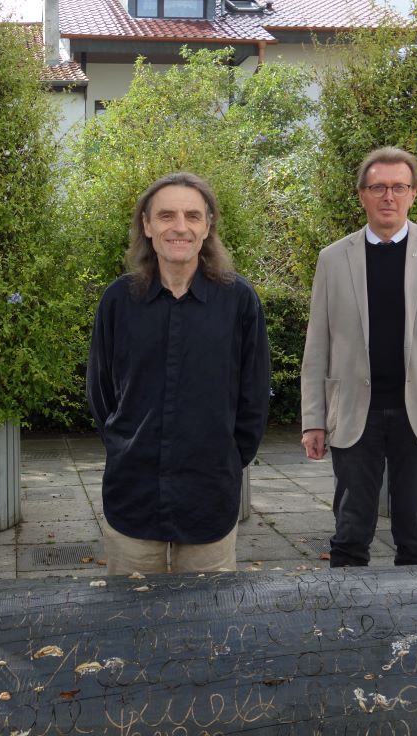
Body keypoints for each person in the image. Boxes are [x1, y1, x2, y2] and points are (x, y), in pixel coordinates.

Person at [300, 147, 417, 567]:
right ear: (362, 195)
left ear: (413, 194)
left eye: (398, 187)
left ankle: (415, 626)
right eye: (378, 187)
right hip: (353, 414)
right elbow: (318, 346)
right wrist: (313, 418)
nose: (388, 196)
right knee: (349, 533)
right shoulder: (333, 259)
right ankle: (348, 620)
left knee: (416, 536)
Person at [86, 172, 271, 576]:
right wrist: (122, 446)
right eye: (166, 215)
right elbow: (101, 391)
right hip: (133, 492)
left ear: (207, 227)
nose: (180, 227)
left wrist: (228, 458)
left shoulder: (238, 300)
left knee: (208, 626)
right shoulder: (119, 300)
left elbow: (254, 396)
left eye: (192, 215)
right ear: (147, 226)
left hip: (210, 494)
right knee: (129, 617)